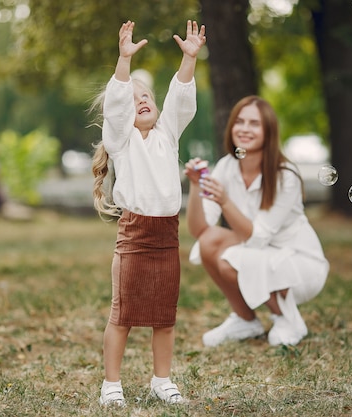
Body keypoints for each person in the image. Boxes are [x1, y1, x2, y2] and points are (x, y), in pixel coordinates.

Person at [90, 20, 206, 407]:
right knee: (121, 315)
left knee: (164, 316)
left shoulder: (167, 135)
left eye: (147, 95)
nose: (141, 99)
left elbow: (180, 100)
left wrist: (188, 60)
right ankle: (112, 385)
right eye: (134, 96)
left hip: (166, 238)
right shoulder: (121, 141)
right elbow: (118, 105)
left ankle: (162, 380)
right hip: (134, 236)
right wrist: (124, 62)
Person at [183, 96, 329, 348]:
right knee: (209, 242)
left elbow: (260, 237)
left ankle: (286, 319)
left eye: (254, 123)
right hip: (260, 254)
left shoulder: (286, 175)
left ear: (268, 131)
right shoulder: (227, 166)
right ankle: (245, 319)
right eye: (239, 121)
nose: (244, 129)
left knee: (230, 261)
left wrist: (226, 202)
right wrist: (196, 186)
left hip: (298, 264)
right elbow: (199, 229)